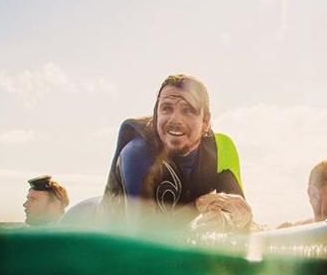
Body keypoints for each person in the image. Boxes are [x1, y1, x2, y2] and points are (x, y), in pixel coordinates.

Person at [100, 74, 251, 229]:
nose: (175, 119)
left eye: (187, 110)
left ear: (205, 121)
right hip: (111, 237)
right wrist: (199, 206)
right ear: (156, 114)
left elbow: (242, 219)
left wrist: (229, 218)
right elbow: (143, 235)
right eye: (166, 108)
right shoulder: (136, 153)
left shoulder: (222, 150)